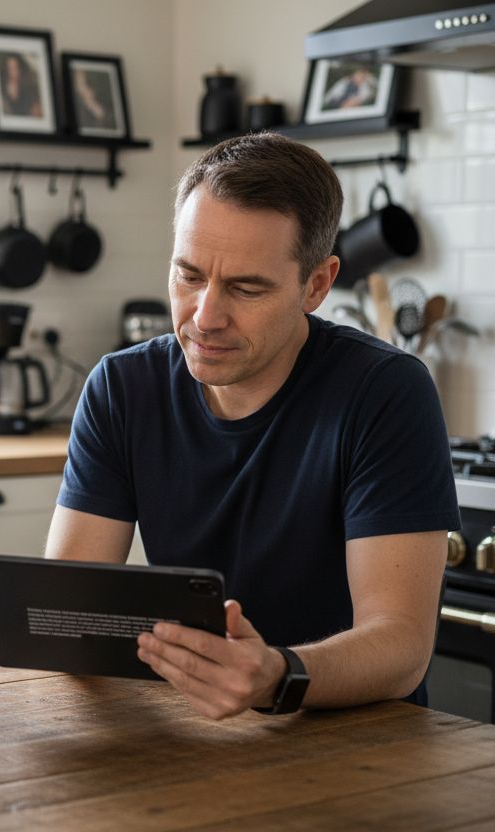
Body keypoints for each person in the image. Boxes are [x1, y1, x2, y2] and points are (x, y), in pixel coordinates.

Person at [45, 132, 458, 719]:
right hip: (191, 730)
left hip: (355, 742)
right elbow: (67, 611)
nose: (205, 317)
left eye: (246, 288)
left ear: (316, 284)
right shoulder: (121, 388)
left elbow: (401, 647)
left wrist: (278, 675)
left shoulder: (386, 392)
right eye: (188, 276)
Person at [0, 51, 42, 118]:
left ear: (20, 69)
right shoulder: (2, 90)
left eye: (14, 68)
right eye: (9, 69)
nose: (12, 73)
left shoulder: (28, 87)